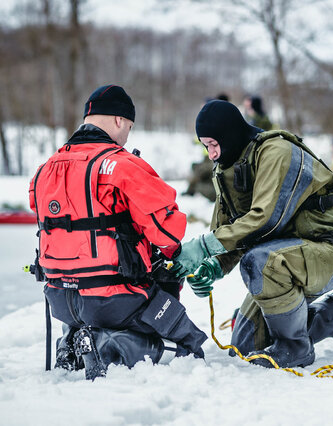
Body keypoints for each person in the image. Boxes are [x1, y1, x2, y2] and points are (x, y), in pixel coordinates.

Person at [28, 84, 206, 380]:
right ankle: (108, 344)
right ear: (119, 120)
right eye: (129, 127)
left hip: (59, 298)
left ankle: (72, 340)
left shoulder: (45, 170)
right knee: (190, 345)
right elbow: (168, 230)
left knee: (89, 302)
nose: (126, 136)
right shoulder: (123, 165)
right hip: (115, 298)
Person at [171, 100, 333, 369]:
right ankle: (331, 315)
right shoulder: (229, 166)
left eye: (214, 145)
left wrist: (203, 246)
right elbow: (231, 229)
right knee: (244, 348)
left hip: (328, 250)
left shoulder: (277, 151)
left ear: (230, 135)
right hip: (282, 257)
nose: (211, 154)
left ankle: (294, 348)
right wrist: (215, 264)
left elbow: (265, 221)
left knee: (258, 262)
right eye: (206, 146)